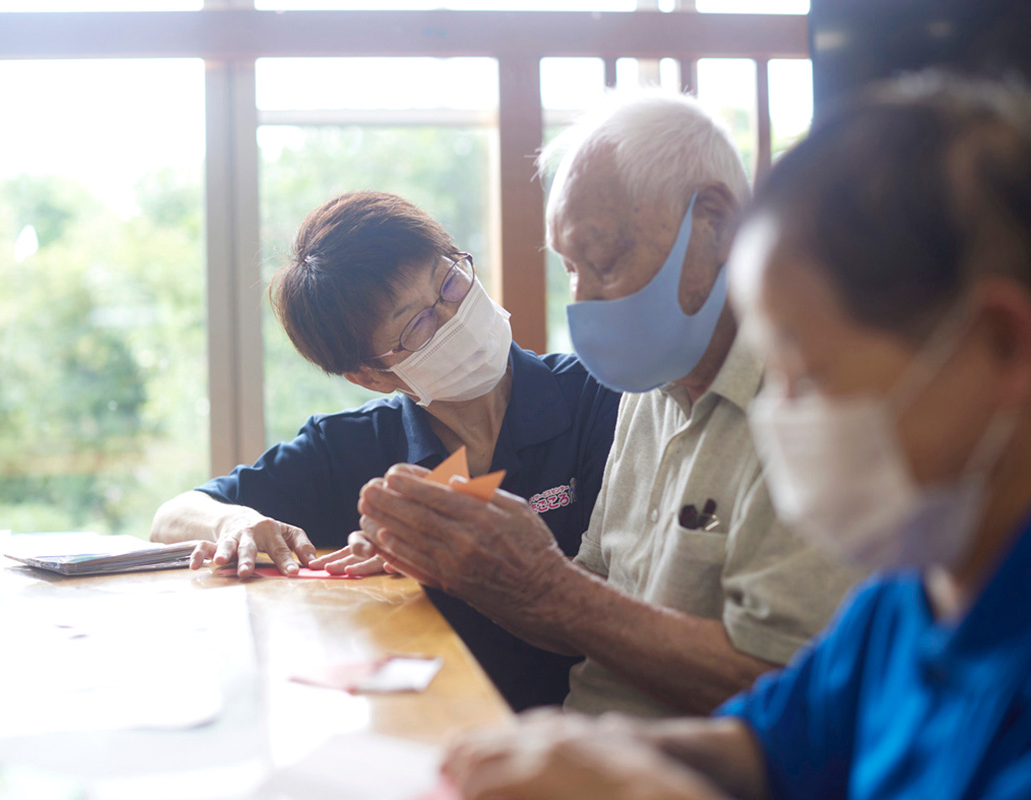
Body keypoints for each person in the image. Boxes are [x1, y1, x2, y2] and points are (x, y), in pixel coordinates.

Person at [438, 74, 1031, 799]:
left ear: (1002, 346)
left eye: (806, 378)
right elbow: (766, 740)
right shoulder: (908, 603)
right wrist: (593, 747)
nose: (777, 420)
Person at [354, 93, 864, 717]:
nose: (585, 299)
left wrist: (546, 582)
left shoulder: (806, 399)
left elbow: (784, 691)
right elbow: (593, 605)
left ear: (715, 222)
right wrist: (472, 564)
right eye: (569, 269)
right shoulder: (647, 390)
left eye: (603, 260)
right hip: (586, 743)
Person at [150, 191, 620, 710]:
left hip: (588, 725)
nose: (453, 314)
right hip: (424, 724)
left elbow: (634, 601)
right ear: (370, 376)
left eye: (450, 281)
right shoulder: (351, 446)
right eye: (417, 326)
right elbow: (174, 515)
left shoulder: (600, 396)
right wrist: (232, 524)